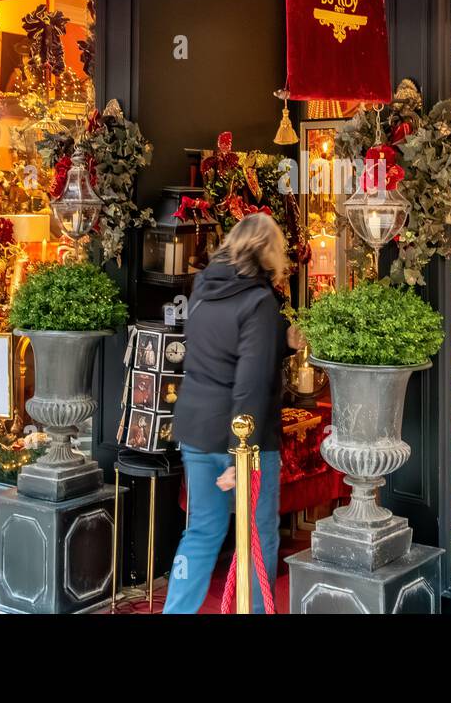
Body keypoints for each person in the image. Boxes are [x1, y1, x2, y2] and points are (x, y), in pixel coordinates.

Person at [163, 213, 299, 614]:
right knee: (259, 535)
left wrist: (282, 343)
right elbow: (251, 382)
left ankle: (176, 610)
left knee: (202, 531)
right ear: (268, 253)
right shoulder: (258, 301)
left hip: (195, 428)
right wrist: (245, 451)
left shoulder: (203, 289)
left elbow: (214, 354)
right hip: (242, 437)